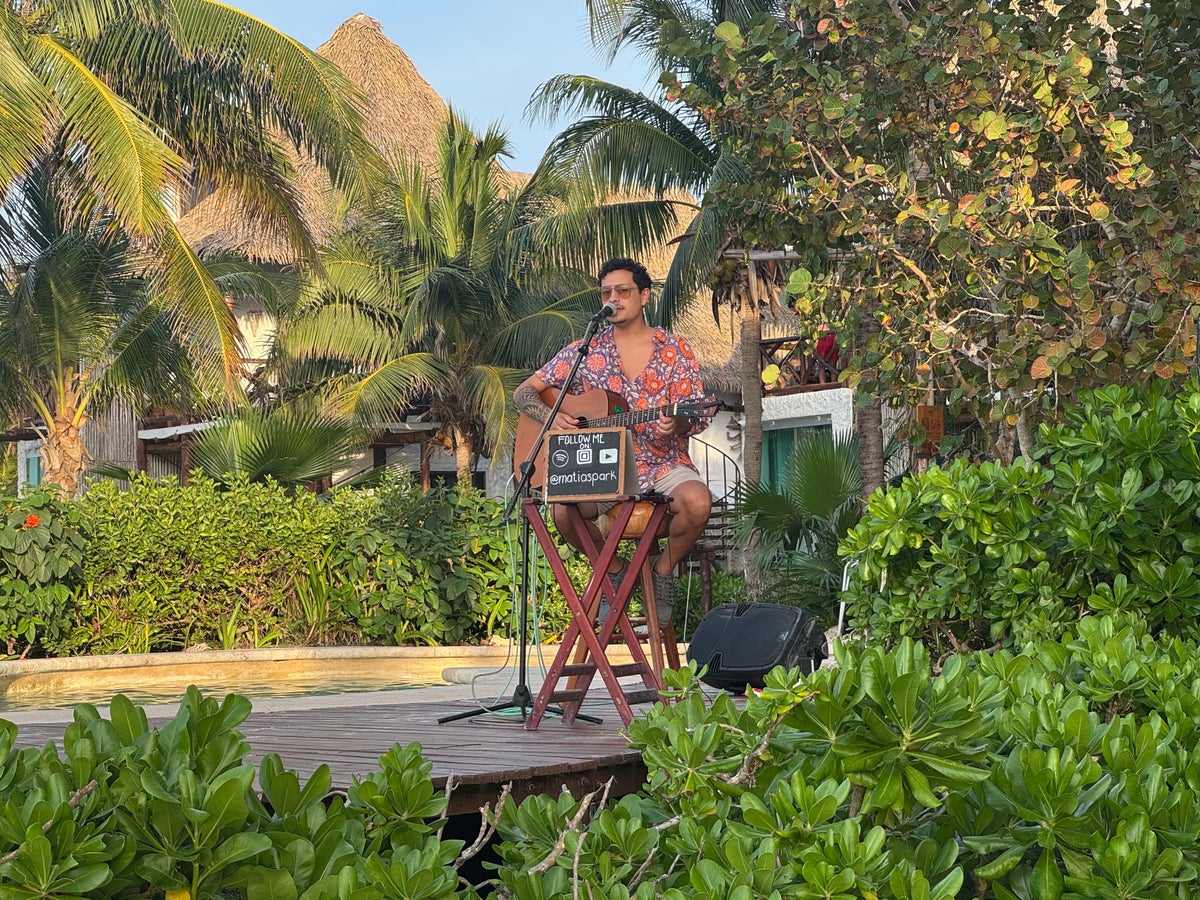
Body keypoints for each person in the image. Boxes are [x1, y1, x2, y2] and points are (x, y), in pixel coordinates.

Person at [513, 257, 712, 625]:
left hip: (663, 464)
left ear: (644, 296)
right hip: (601, 468)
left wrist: (678, 424)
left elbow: (694, 414)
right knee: (563, 512)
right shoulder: (584, 350)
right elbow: (525, 393)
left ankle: (662, 571)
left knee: (698, 502)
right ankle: (615, 569)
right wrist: (552, 417)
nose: (614, 298)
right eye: (607, 292)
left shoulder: (674, 350)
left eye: (623, 290)